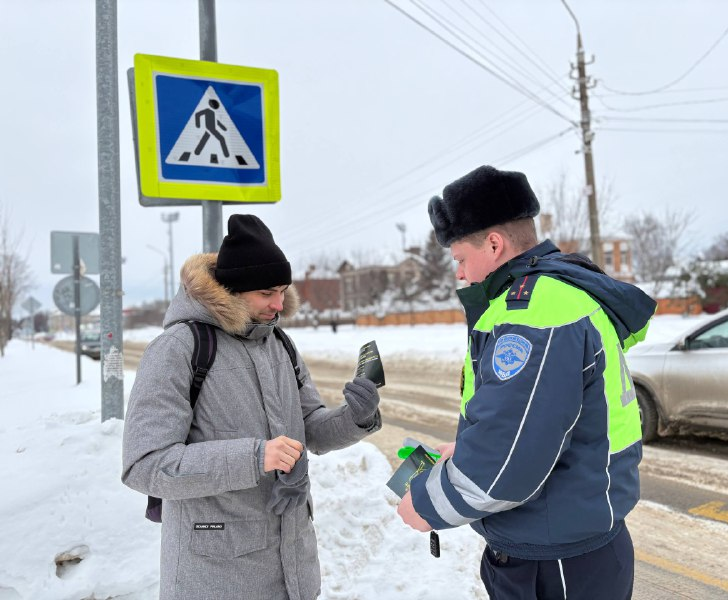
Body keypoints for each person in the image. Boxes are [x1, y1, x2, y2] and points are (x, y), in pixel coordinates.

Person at [396, 165, 656, 600]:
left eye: (461, 259)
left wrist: (425, 503)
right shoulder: (562, 293)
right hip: (575, 538)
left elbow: (504, 467)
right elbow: (543, 420)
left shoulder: (534, 313)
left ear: (494, 244)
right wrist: (469, 449)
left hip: (555, 562)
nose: (460, 274)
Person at [122, 214, 381, 600]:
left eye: (282, 290)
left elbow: (310, 427)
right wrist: (256, 456)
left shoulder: (281, 344)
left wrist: (354, 418)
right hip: (215, 578)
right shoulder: (178, 348)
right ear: (232, 290)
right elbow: (144, 466)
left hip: (294, 573)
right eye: (266, 293)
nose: (279, 304)